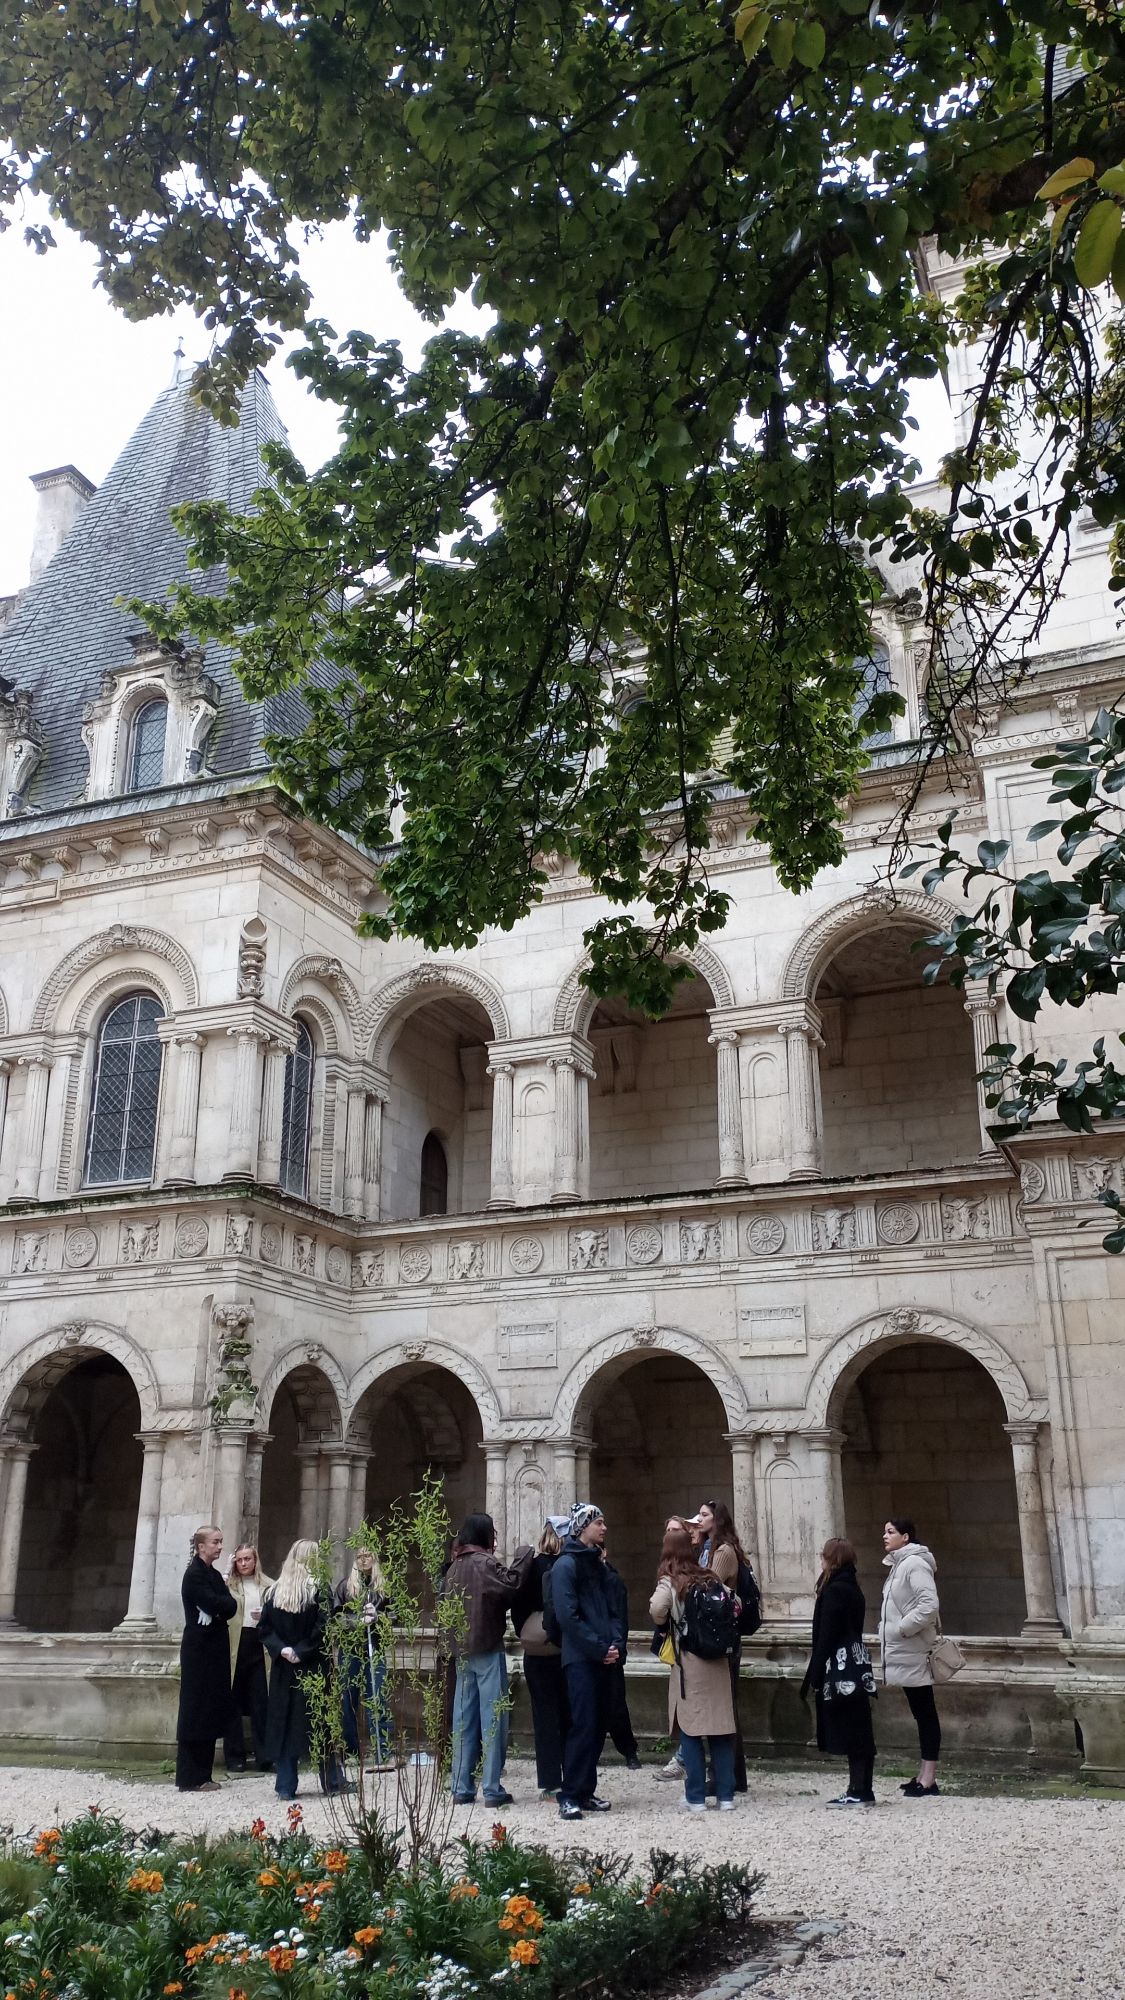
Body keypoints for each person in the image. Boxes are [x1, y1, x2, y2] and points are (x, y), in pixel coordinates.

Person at [441, 1513, 533, 1807]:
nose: (495, 1539)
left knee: (463, 1721)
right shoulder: (485, 1563)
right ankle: (492, 1788)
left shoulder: (454, 1567)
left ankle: (461, 1786)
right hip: (487, 1647)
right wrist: (524, 1555)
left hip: (461, 1652)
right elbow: (511, 1586)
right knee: (493, 1719)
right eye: (492, 1534)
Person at [649, 1523, 738, 1812]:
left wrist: (668, 1622)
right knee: (720, 1730)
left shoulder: (671, 1581)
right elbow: (735, 1602)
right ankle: (726, 1796)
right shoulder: (709, 1576)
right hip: (718, 1662)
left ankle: (696, 1796)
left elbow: (657, 1608)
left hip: (690, 1662)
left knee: (691, 1729)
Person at [258, 1538, 346, 1801]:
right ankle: (332, 1782)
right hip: (314, 1666)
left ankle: (286, 1785)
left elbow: (265, 1628)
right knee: (320, 1723)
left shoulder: (274, 1592)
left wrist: (283, 1649)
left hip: (284, 1668)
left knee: (285, 1723)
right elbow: (323, 1627)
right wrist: (302, 1650)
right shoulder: (320, 1591)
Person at [551, 1502, 622, 1823]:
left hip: (604, 1657)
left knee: (598, 1725)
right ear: (582, 1527)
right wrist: (598, 1648)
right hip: (581, 1658)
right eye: (599, 1522)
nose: (604, 1528)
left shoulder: (599, 1565)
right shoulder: (566, 1566)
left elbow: (614, 1609)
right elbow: (568, 1617)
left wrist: (616, 1643)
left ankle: (585, 1791)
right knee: (582, 1725)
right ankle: (569, 1794)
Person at [801, 1536, 877, 1808]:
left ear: (831, 1559)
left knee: (852, 1729)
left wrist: (815, 1675)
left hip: (841, 1666)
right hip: (856, 1661)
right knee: (860, 1727)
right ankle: (863, 1788)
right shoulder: (852, 1586)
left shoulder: (835, 1590)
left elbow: (826, 1635)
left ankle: (857, 1789)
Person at [879, 1517, 942, 1796]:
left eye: (890, 1532)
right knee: (921, 1712)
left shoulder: (914, 1563)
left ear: (905, 1537)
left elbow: (929, 1605)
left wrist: (902, 1628)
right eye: (885, 1532)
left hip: (913, 1650)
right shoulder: (900, 1565)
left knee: (925, 1713)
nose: (885, 1536)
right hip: (906, 1650)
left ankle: (928, 1779)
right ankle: (923, 1775)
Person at [694, 1500, 751, 1793]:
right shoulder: (710, 1549)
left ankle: (724, 1775)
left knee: (723, 1708)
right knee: (724, 1706)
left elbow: (708, 1587)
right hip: (718, 1635)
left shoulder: (724, 1552)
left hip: (723, 1637)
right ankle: (732, 1775)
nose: (698, 1519)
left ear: (716, 1520)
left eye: (704, 1515)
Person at [511, 1516, 569, 1799]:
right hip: (565, 1650)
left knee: (544, 1716)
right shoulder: (568, 1566)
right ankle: (571, 1773)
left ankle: (549, 1781)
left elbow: (517, 1607)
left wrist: (528, 1631)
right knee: (569, 1714)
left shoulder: (532, 1567)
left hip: (535, 1651)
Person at [176, 1525, 238, 1792]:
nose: (220, 1547)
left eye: (221, 1541)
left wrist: (218, 1607)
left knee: (210, 1708)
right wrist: (218, 1606)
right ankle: (190, 1777)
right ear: (201, 1546)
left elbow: (230, 1605)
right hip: (199, 1651)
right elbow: (215, 1602)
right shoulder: (194, 1574)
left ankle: (204, 1774)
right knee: (196, 1709)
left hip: (213, 1649)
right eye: (215, 1542)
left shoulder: (211, 1574)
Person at [334, 1549, 393, 1770]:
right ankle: (350, 1752)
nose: (363, 1559)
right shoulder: (345, 1586)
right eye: (359, 1556)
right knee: (348, 1699)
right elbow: (336, 1617)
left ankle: (382, 1750)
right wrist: (357, 1621)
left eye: (368, 1556)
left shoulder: (383, 1588)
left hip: (374, 1648)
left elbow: (395, 1615)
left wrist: (379, 1617)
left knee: (377, 1697)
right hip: (350, 1649)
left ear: (375, 1558)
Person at [223, 1543, 274, 1774]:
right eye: (240, 1559)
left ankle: (265, 1756)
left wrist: (266, 1615)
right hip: (236, 1644)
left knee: (261, 1702)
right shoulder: (229, 1585)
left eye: (248, 1559)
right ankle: (235, 1757)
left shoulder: (268, 1585)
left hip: (259, 1645)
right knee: (232, 1703)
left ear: (255, 1560)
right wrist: (226, 1574)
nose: (243, 1563)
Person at [601, 1544, 641, 1768]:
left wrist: (617, 1647)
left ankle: (629, 1751)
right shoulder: (583, 1577)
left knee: (616, 1707)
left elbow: (620, 1618)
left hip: (611, 1650)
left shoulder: (613, 1580)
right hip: (592, 1650)